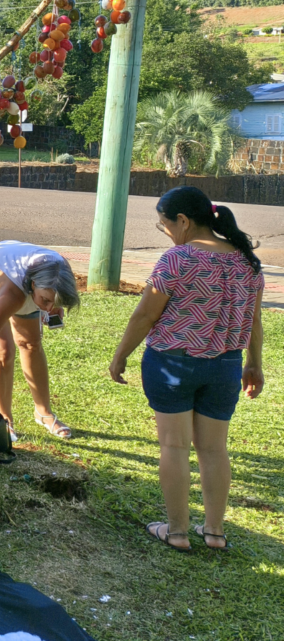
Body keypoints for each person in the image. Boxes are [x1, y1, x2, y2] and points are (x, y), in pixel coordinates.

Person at [109, 187, 266, 553]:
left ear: (182, 220)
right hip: (226, 366)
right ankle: (214, 532)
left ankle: (177, 531)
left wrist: (120, 355)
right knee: (214, 451)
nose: (163, 230)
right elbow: (254, 320)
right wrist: (254, 364)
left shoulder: (177, 259)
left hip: (173, 362)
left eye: (164, 223)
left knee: (173, 446)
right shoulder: (247, 260)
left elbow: (146, 314)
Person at [0, 241, 81, 439]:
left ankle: (43, 413)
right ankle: (4, 418)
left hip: (17, 269)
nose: (49, 308)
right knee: (3, 348)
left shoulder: (59, 271)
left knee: (30, 343)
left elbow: (52, 294)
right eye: (46, 301)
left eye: (54, 302)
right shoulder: (13, 295)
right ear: (33, 286)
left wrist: (54, 304)